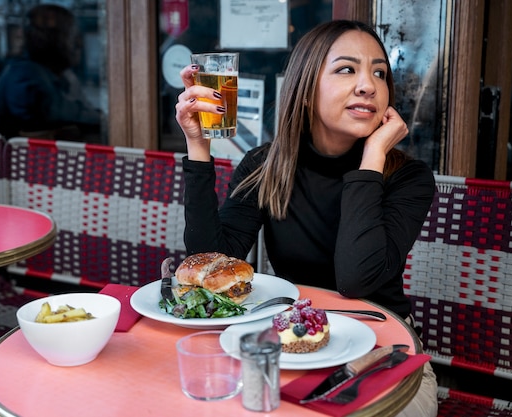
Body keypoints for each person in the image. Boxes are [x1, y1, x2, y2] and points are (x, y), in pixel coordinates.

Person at [175, 20, 438, 416]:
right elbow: (210, 266)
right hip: (290, 349)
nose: (368, 85)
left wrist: (372, 161)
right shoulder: (266, 165)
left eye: (379, 73)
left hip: (383, 356)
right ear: (304, 88)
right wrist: (198, 146)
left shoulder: (406, 178)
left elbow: (355, 280)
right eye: (347, 69)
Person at [0, 4, 101, 142]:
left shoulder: (62, 75)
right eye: (70, 35)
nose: (78, 44)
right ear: (44, 39)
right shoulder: (25, 75)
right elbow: (57, 117)